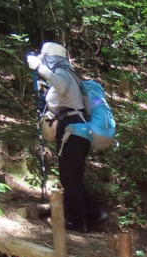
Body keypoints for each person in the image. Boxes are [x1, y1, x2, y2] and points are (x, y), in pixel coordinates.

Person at [27, 42, 106, 232]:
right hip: (77, 132)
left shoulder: (62, 72)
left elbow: (60, 85)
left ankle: (78, 220)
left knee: (69, 178)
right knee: (73, 177)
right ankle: (94, 213)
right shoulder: (70, 74)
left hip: (73, 131)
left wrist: (40, 68)